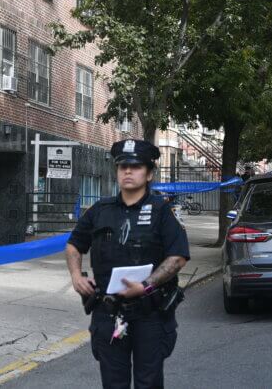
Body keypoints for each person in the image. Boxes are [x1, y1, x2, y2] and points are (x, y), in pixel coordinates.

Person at [66, 139, 190, 389]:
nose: (128, 172)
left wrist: (144, 286)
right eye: (123, 167)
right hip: (108, 313)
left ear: (149, 174)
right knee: (113, 384)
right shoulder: (100, 210)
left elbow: (178, 257)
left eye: (136, 167)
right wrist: (77, 277)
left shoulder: (160, 211)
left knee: (149, 383)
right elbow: (74, 245)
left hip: (149, 314)